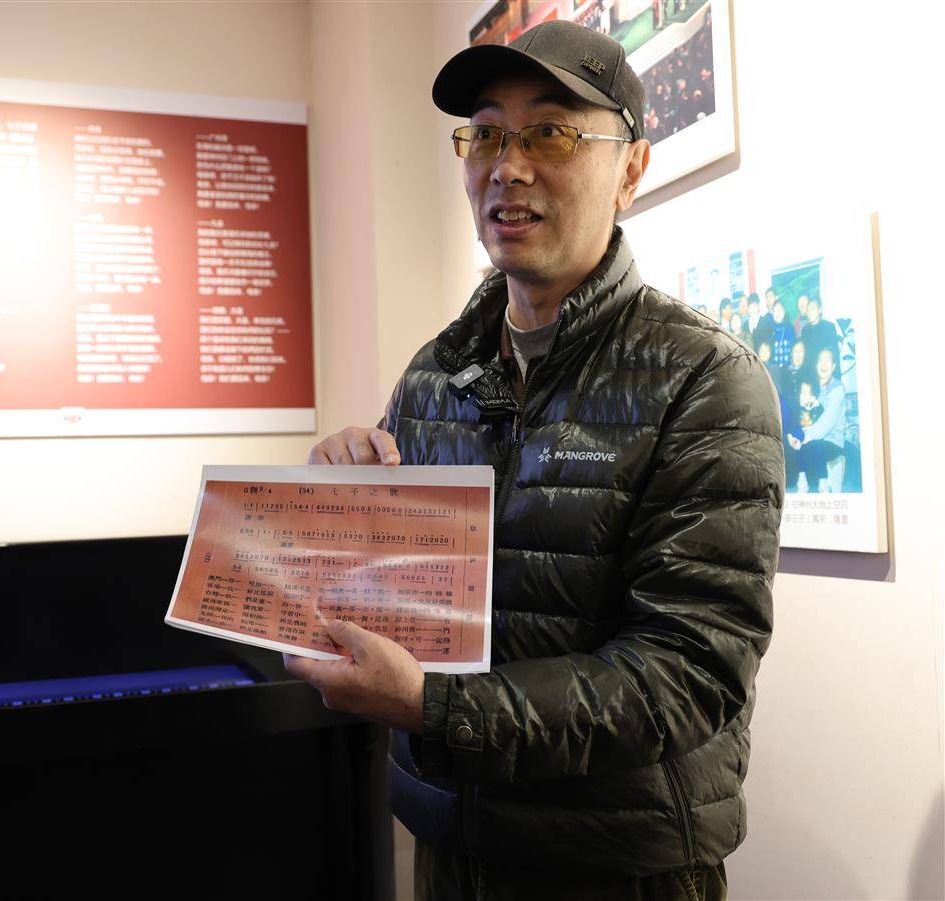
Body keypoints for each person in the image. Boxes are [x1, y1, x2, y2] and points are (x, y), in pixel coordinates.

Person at [286, 20, 784, 900]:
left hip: (619, 868)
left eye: (550, 132)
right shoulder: (436, 374)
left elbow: (689, 671)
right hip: (448, 843)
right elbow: (401, 601)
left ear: (631, 168)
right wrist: (344, 509)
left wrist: (436, 708)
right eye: (485, 134)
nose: (508, 166)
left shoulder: (706, 378)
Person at [789, 348, 848, 493]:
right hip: (808, 437)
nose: (824, 364)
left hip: (830, 441)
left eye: (828, 360)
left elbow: (825, 424)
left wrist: (802, 437)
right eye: (821, 360)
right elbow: (798, 413)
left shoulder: (838, 388)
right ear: (816, 365)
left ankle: (823, 481)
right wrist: (793, 435)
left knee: (810, 448)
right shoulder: (810, 386)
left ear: (834, 366)